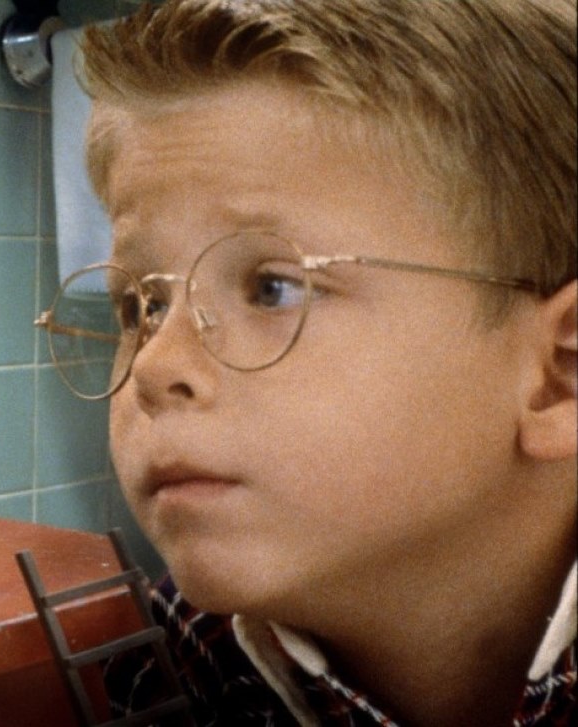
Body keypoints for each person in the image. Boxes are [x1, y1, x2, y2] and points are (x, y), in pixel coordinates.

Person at [41, 1, 576, 723]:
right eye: (139, 306)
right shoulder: (162, 668)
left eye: (272, 288)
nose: (153, 366)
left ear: (559, 372)